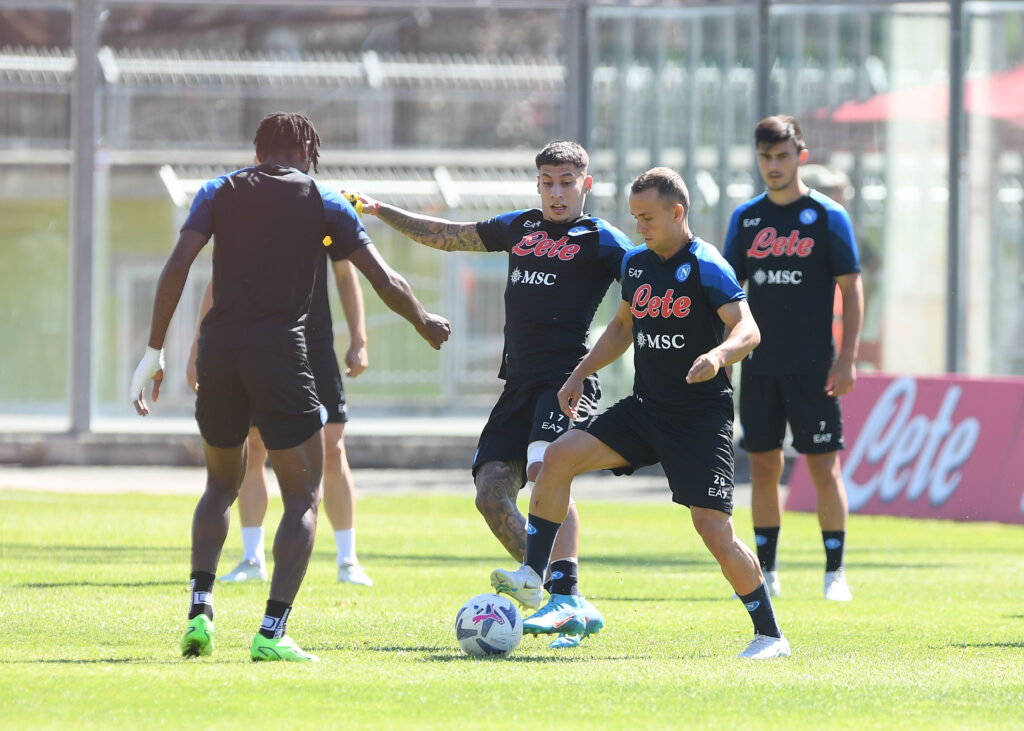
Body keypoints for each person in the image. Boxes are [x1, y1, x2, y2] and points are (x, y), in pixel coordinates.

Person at [130, 112, 450, 662]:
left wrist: (153, 350)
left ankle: (200, 611)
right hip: (280, 355)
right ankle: (272, 633)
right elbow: (382, 277)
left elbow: (178, 266)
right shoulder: (324, 200)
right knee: (302, 496)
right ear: (309, 155)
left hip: (220, 352)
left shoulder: (217, 190)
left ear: (258, 153)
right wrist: (424, 321)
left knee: (218, 485)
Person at [491, 167, 789, 659]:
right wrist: (578, 374)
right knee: (559, 457)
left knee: (713, 531)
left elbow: (748, 330)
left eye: (648, 218)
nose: (639, 227)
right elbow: (622, 326)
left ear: (677, 213)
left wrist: (718, 356)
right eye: (634, 218)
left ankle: (770, 635)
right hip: (646, 409)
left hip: (699, 419)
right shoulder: (636, 264)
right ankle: (533, 575)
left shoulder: (706, 265)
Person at [346, 140, 634, 648]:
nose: (556, 193)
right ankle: (555, 595)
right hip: (519, 383)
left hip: (567, 380)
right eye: (547, 183)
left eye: (567, 183)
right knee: (490, 494)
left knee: (549, 469)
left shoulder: (603, 240)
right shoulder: (520, 227)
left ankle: (565, 595)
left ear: (585, 184)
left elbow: (645, 288)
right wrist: (378, 210)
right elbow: (449, 236)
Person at [723, 115, 863, 602]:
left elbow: (852, 286)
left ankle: (835, 572)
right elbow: (727, 292)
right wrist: (725, 353)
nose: (774, 165)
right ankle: (768, 569)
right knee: (764, 464)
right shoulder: (747, 219)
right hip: (760, 366)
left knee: (824, 467)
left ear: (801, 156)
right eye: (766, 156)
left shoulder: (826, 216)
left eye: (783, 156)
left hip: (814, 367)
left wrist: (846, 358)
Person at [188, 255, 374, 587]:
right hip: (262, 347)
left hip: (315, 347)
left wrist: (359, 339)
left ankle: (348, 560)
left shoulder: (327, 205)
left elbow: (346, 273)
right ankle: (251, 557)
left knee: (333, 448)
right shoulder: (244, 208)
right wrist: (197, 348)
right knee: (255, 447)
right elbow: (219, 280)